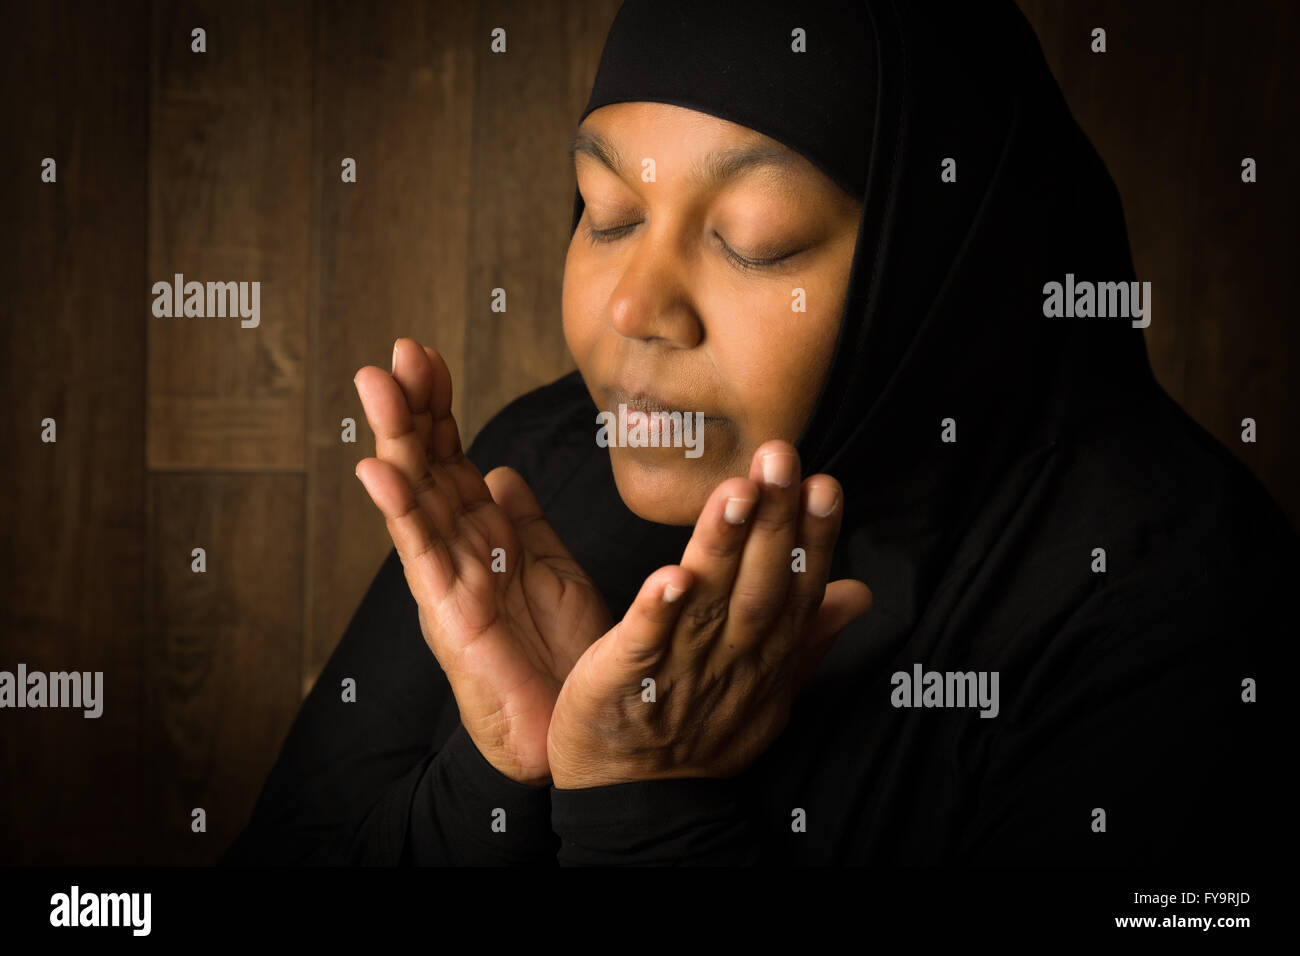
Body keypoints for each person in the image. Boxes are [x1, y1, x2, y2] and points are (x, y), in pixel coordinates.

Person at [223, 0, 1294, 866]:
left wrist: (645, 807)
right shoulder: (536, 475)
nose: (635, 307)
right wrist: (498, 767)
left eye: (754, 239)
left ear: (934, 279)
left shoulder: (1173, 596)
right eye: (606, 212)